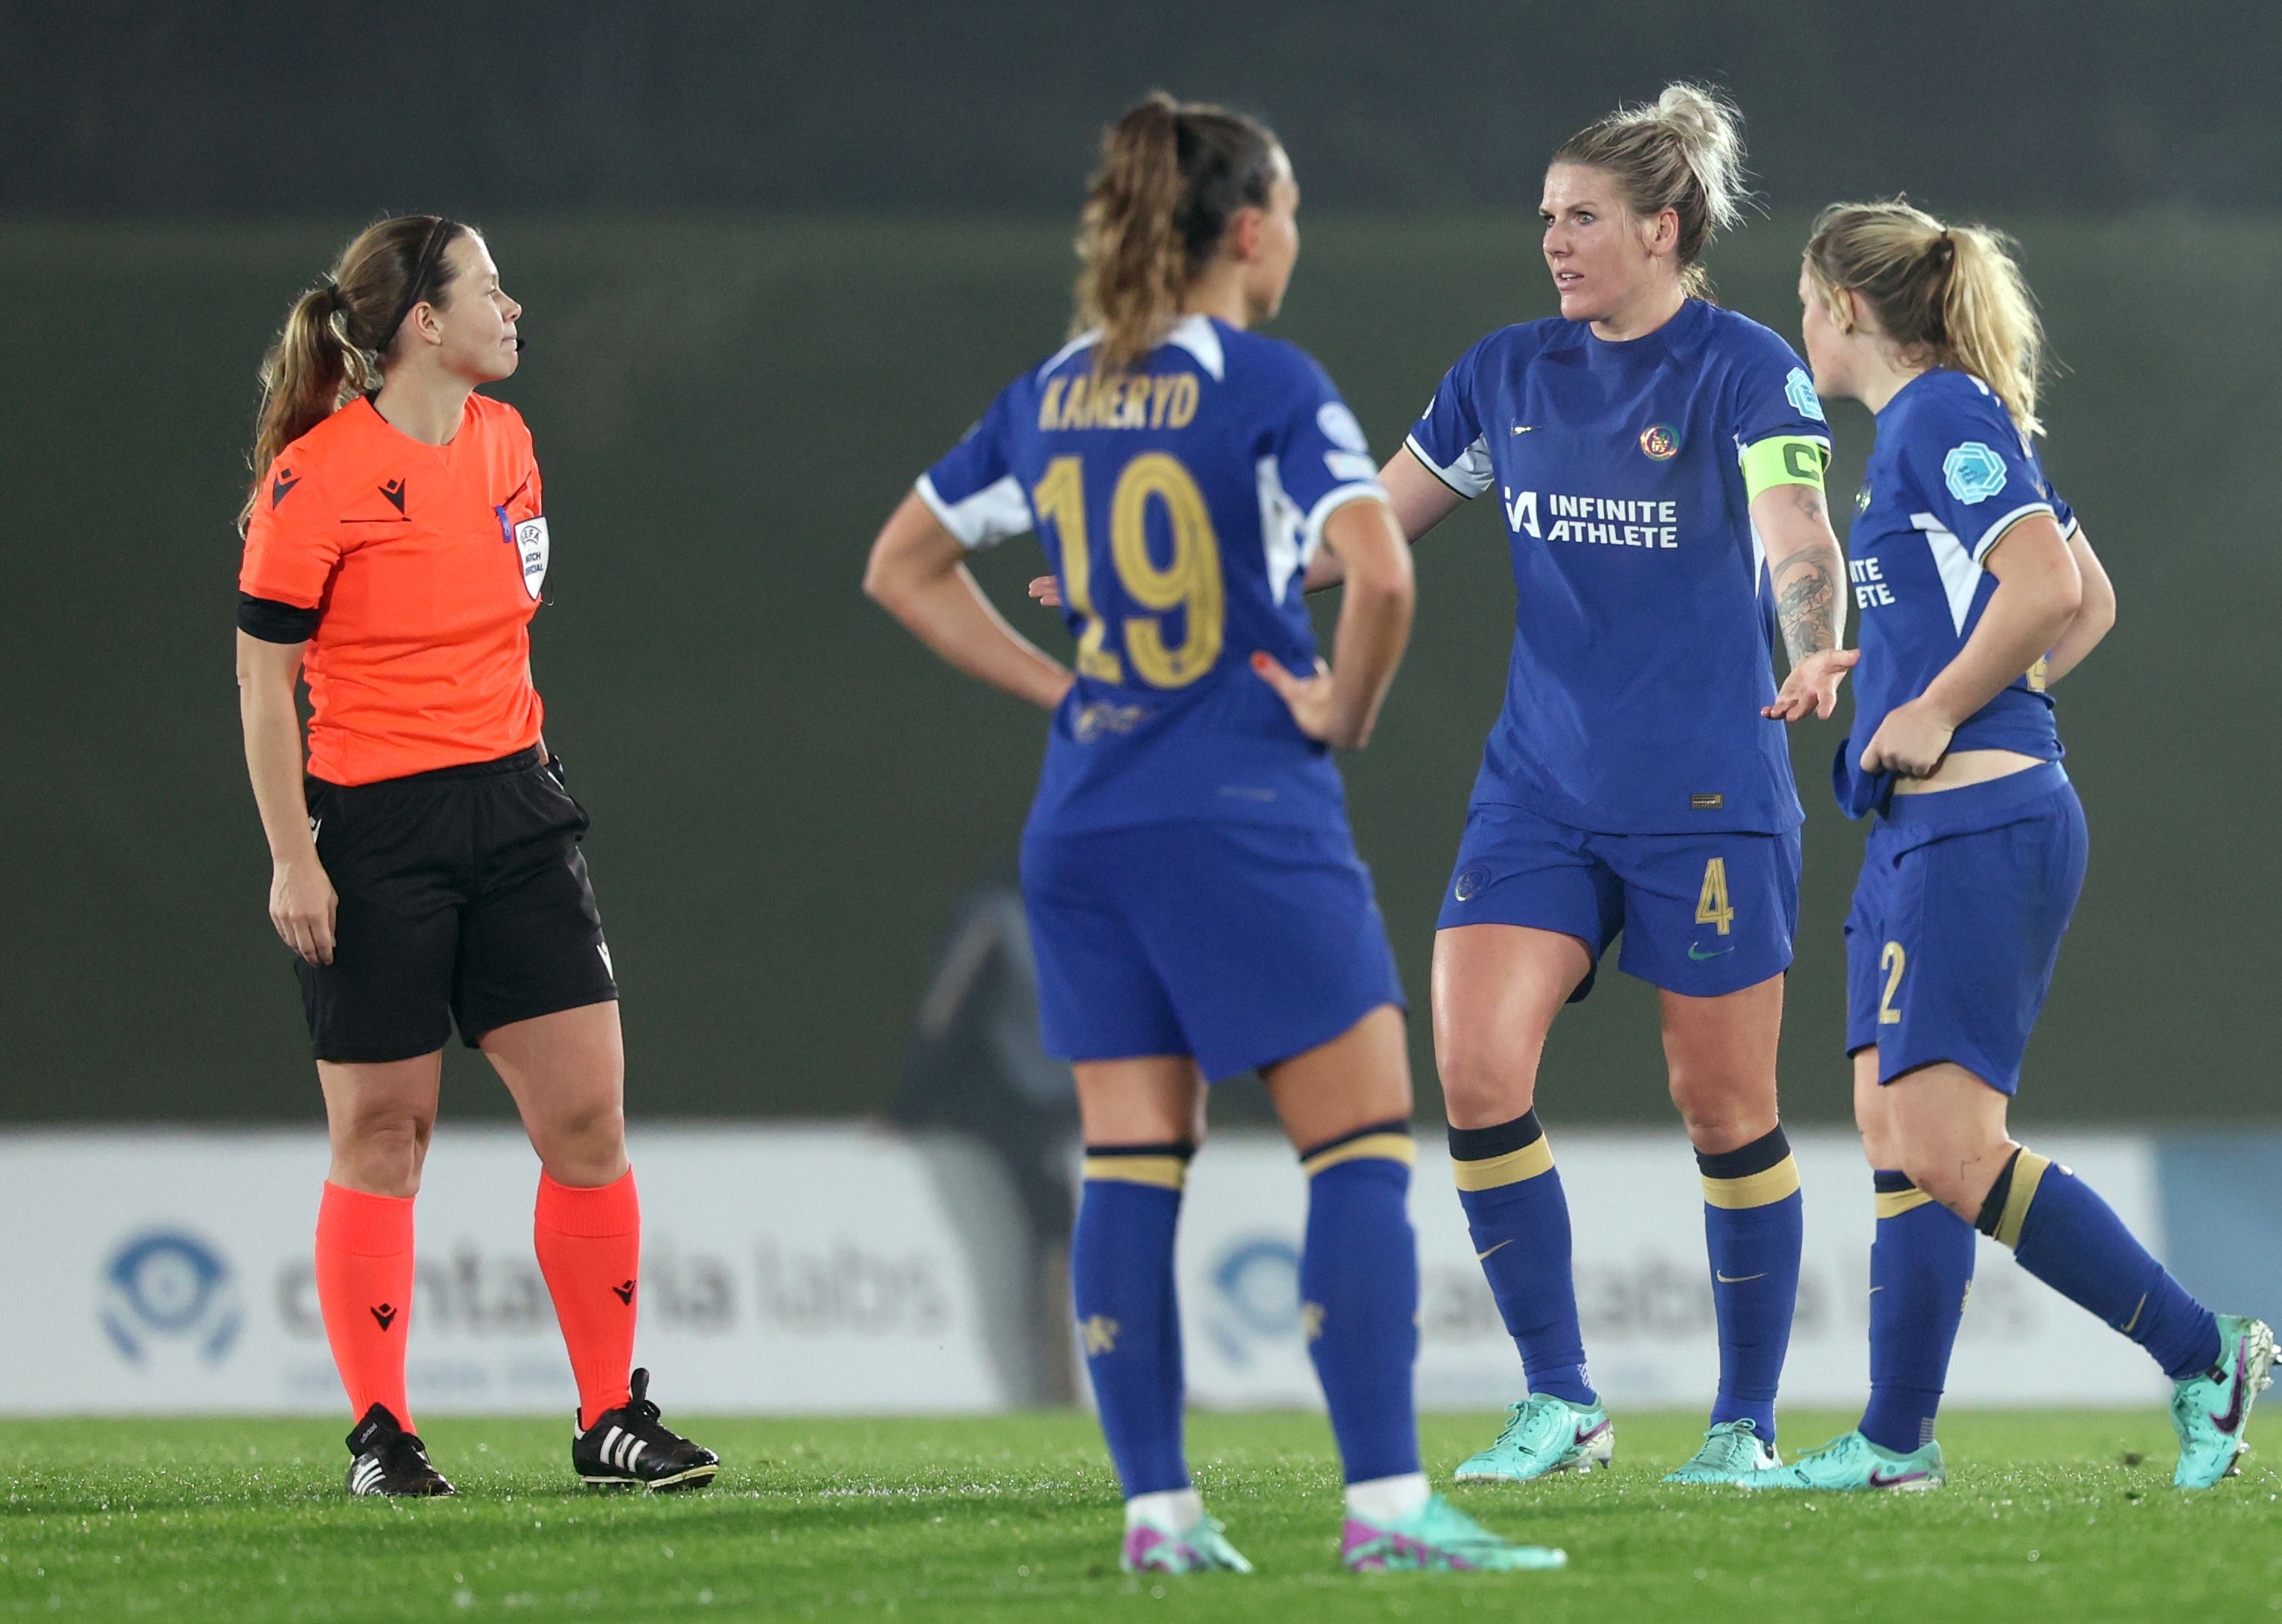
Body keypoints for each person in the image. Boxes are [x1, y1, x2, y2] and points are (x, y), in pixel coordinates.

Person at [866, 94, 1562, 1576]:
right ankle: (1384, 1508)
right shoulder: (1262, 382)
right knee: (1360, 1139)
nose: (1293, 235)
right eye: (1290, 211)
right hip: (1236, 803)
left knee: (1128, 1157)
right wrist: (1343, 712)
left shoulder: (1053, 390)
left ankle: (1159, 1519)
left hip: (1084, 816)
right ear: (1247, 230)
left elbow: (902, 567)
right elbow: (1377, 573)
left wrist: (1065, 688)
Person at [1740, 199, 2279, 1494]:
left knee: (1947, 1143)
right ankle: (1892, 1441)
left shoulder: (1937, 410)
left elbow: (2044, 589)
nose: (1798, 323)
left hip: (1978, 820)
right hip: (1923, 831)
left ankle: (2206, 1354)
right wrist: (1910, 674)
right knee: (1893, 1128)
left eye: (1805, 299)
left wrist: (1942, 704)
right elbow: (2082, 598)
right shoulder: (1932, 430)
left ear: (1849, 307)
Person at [1374, 84, 1853, 1487]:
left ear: (1663, 226)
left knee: (1722, 1109)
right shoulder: (1503, 373)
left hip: (1705, 795)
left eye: (1580, 218)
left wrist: (1817, 648)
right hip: (1538, 791)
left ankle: (1740, 1426)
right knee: (1471, 1070)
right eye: (1544, 219)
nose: (1554, 243)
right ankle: (1560, 1400)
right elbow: (1366, 529)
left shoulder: (1744, 366)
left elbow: (1794, 526)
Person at [234, 216, 717, 1497]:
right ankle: (382, 1433)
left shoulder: (507, 444)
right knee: (385, 1134)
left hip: (514, 814)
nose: (514, 307)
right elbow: (264, 678)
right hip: (375, 830)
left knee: (587, 1117)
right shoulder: (317, 476)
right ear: (421, 327)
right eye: (488, 288)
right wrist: (296, 856)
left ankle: (610, 1414)